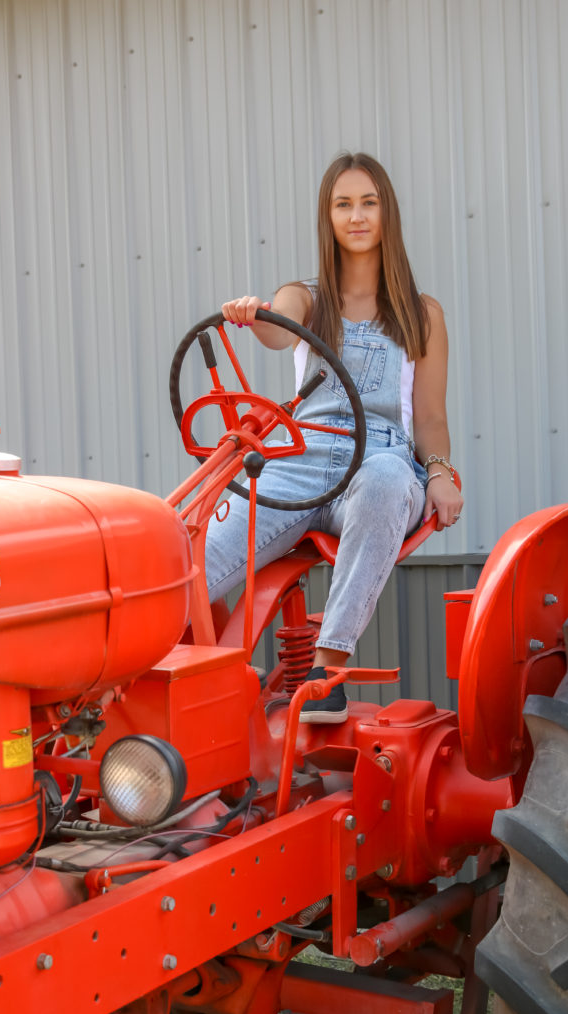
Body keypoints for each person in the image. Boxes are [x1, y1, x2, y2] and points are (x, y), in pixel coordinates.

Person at [206, 152, 464, 724]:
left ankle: (325, 671)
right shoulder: (307, 297)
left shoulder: (422, 315)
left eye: (368, 202)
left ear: (386, 213)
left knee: (388, 479)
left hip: (380, 460)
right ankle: (181, 687)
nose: (356, 215)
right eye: (343, 204)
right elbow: (279, 325)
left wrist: (441, 474)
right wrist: (259, 313)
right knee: (191, 556)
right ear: (328, 217)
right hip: (299, 460)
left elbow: (428, 417)